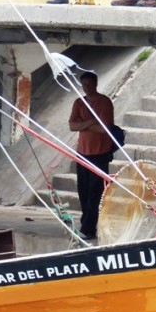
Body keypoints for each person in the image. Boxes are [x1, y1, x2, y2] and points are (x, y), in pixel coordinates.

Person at [68, 71, 115, 241]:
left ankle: (87, 228)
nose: (86, 88)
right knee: (84, 191)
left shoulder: (104, 102)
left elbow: (104, 128)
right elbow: (72, 126)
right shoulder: (79, 102)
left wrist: (82, 124)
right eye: (84, 85)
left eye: (89, 84)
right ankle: (87, 224)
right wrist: (91, 122)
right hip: (82, 153)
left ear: (95, 84)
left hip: (100, 153)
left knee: (96, 192)